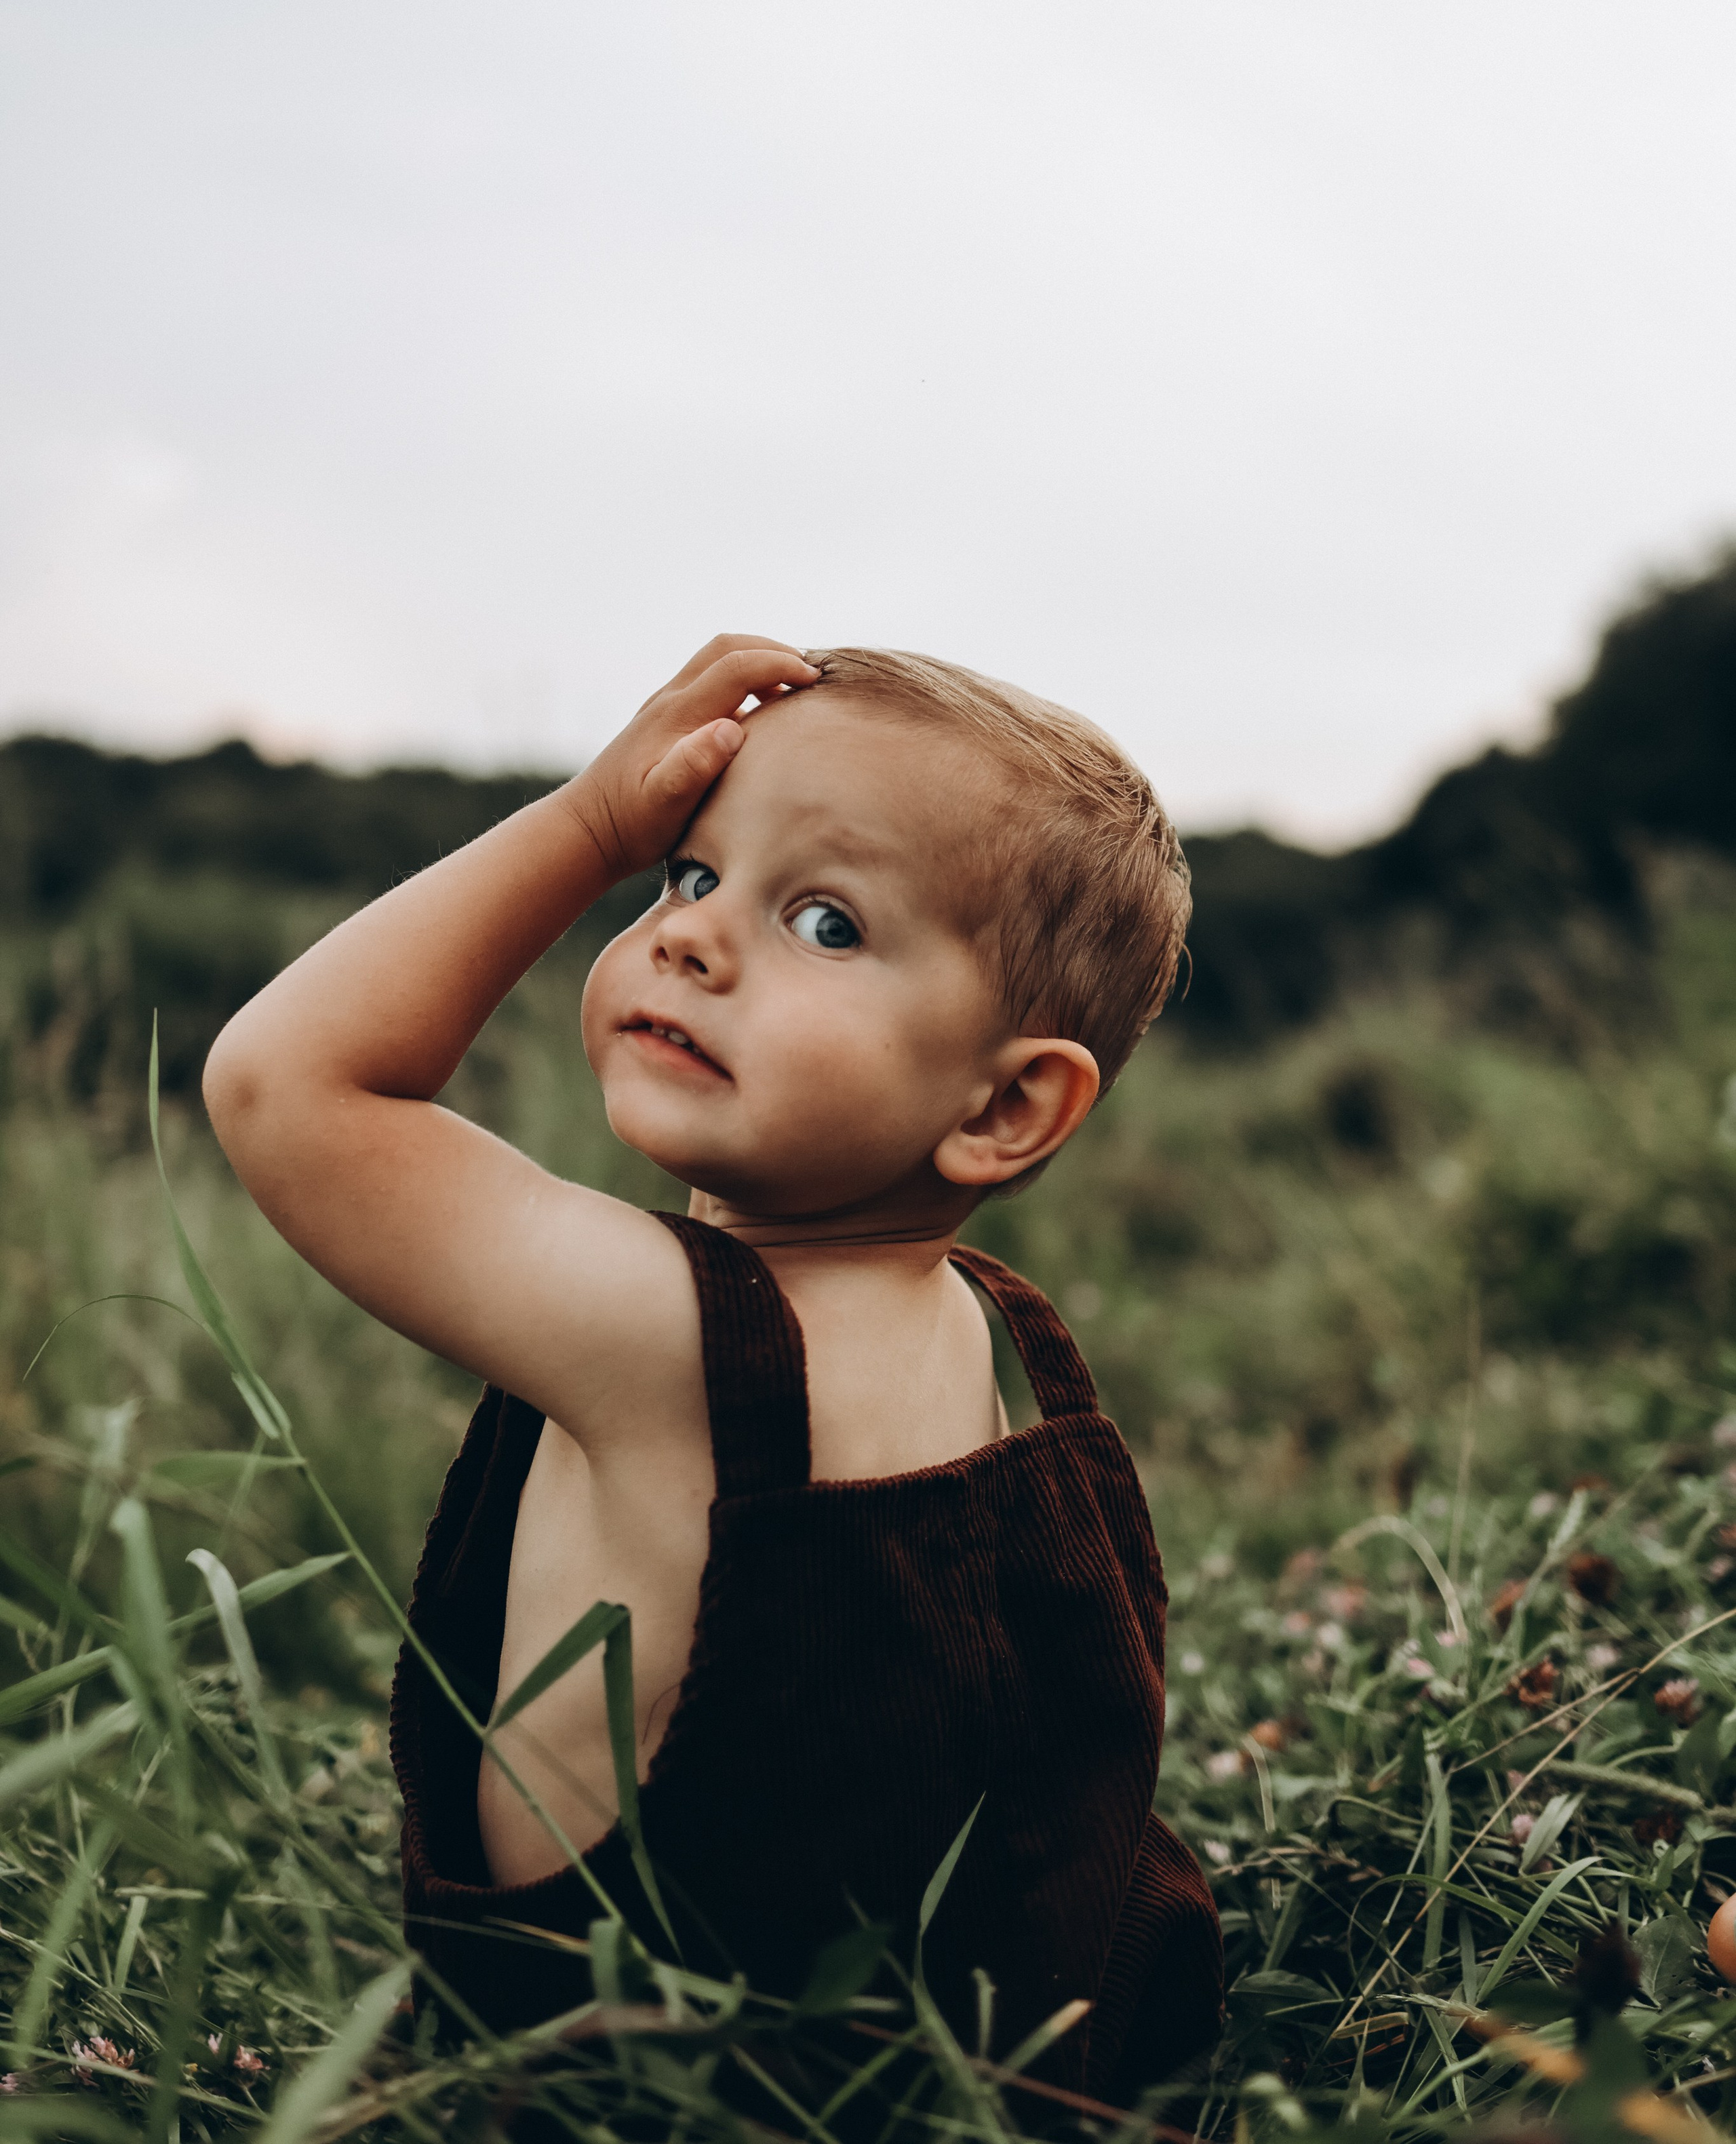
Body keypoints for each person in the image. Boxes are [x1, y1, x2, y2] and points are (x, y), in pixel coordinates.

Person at [203, 634, 1223, 2101]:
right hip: (957, 2068)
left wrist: (589, 826)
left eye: (823, 921)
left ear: (1005, 1107)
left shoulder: (668, 1334)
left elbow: (284, 1085)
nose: (689, 934)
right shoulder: (994, 1333)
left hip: (641, 2084)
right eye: (684, 873)